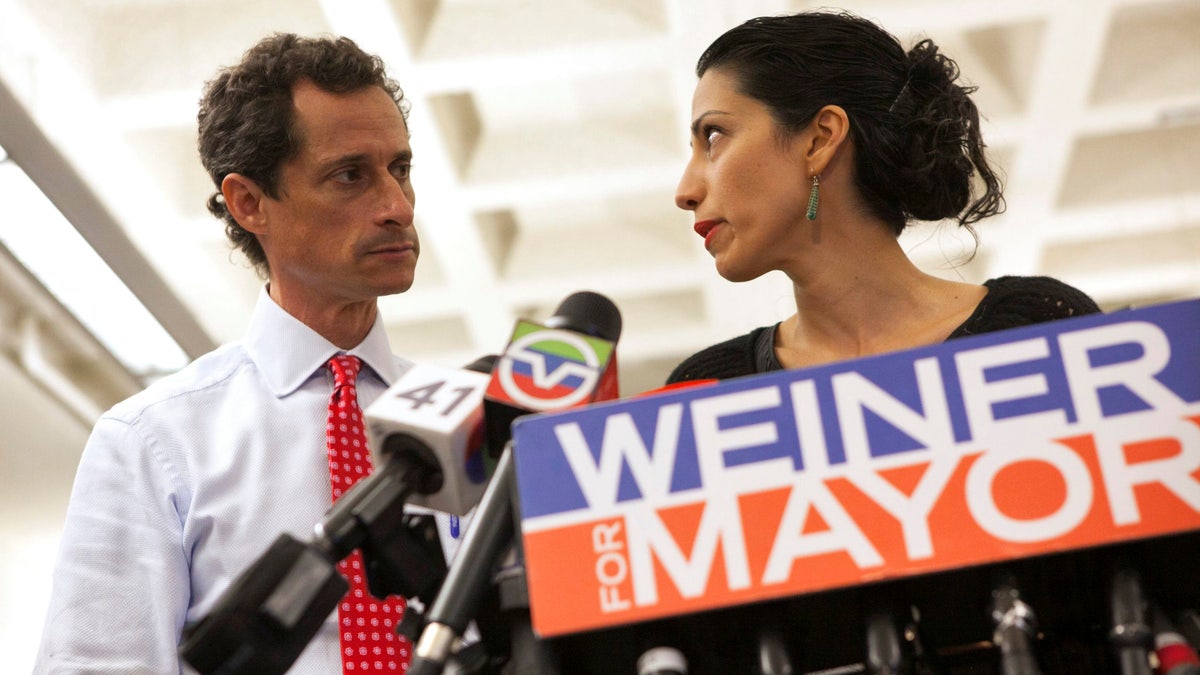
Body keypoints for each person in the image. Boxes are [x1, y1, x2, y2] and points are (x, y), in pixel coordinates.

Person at [35, 33, 448, 673]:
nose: (396, 207)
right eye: (349, 176)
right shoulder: (152, 443)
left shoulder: (481, 422)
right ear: (249, 202)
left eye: (399, 169)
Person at [667, 10, 1101, 385]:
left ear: (819, 140)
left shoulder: (1038, 326)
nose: (686, 193)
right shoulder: (709, 386)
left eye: (714, 135)